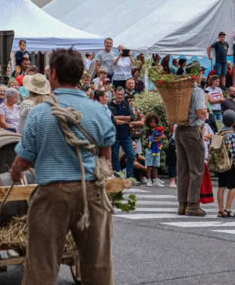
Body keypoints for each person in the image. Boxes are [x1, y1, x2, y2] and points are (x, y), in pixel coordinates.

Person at [10, 49, 115, 284]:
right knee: (98, 266)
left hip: (52, 195)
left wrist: (15, 173)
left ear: (53, 73)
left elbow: (24, 160)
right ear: (80, 75)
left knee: (42, 266)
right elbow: (106, 160)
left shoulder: (39, 114)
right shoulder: (99, 111)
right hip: (91, 194)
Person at [176, 76, 209, 217]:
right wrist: (206, 115)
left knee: (182, 169)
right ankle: (193, 205)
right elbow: (200, 111)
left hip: (180, 129)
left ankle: (182, 204)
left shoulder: (180, 90)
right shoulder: (197, 91)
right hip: (191, 129)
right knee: (196, 169)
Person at [213, 110, 235, 218]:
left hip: (220, 163)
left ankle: (220, 210)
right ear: (234, 122)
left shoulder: (219, 133)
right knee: (233, 186)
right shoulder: (232, 135)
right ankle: (228, 208)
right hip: (230, 164)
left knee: (221, 186)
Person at [109, 87, 137, 181]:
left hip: (126, 135)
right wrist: (126, 119)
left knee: (131, 155)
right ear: (115, 94)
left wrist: (120, 118)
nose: (120, 96)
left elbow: (132, 117)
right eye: (118, 94)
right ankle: (118, 177)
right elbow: (113, 119)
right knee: (115, 156)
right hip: (114, 135)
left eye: (122, 94)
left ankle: (129, 176)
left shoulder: (126, 103)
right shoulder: (109, 105)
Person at [141, 113, 164, 187]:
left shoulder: (158, 130)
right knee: (149, 165)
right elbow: (151, 139)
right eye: (151, 122)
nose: (153, 124)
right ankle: (149, 179)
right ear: (148, 123)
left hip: (157, 149)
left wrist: (156, 138)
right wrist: (158, 138)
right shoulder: (148, 131)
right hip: (150, 150)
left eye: (154, 122)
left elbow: (162, 137)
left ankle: (155, 179)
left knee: (155, 165)